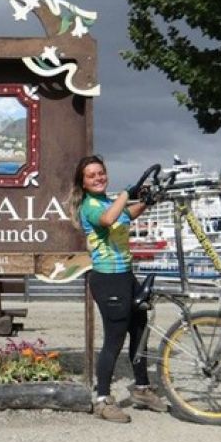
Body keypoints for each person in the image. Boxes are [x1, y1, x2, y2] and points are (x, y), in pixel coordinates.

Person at [69, 155, 168, 423]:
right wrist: (127, 192)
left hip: (126, 275)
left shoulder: (106, 201)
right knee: (115, 339)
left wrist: (146, 202)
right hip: (107, 279)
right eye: (92, 175)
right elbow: (108, 218)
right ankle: (102, 399)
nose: (98, 177)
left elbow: (124, 215)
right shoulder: (90, 206)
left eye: (101, 173)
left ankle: (142, 388)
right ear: (84, 182)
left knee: (139, 331)